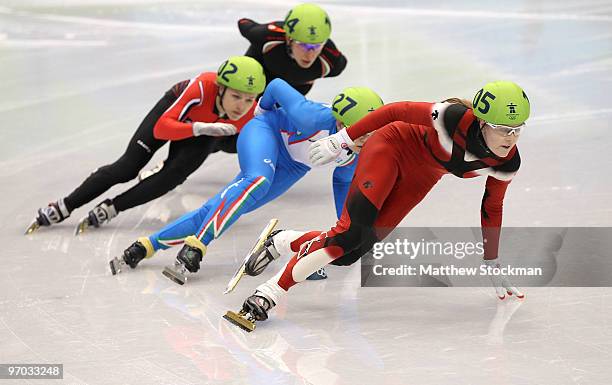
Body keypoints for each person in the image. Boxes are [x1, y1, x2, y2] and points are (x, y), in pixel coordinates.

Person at [228, 81, 531, 327]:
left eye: (518, 128)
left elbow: (492, 206)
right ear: (480, 121)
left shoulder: (507, 163)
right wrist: (342, 139)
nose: (511, 137)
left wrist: (491, 258)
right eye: (503, 128)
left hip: (422, 176)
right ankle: (269, 293)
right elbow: (395, 110)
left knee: (348, 254)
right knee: (347, 236)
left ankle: (281, 241)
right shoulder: (451, 117)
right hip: (391, 146)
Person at [109, 78, 384, 286]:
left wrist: (348, 233)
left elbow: (342, 185)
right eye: (362, 134)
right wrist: (261, 111)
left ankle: (147, 245)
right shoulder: (309, 115)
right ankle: (196, 246)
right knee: (256, 182)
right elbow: (275, 85)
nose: (367, 140)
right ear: (340, 123)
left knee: (228, 205)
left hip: (295, 164)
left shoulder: (358, 150)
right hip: (266, 132)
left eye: (374, 132)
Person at [24, 56, 265, 235]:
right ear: (221, 88)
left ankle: (113, 207)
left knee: (173, 176)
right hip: (176, 116)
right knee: (127, 168)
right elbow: (162, 128)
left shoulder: (251, 113)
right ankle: (65, 204)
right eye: (235, 96)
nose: (241, 105)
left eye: (248, 99)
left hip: (208, 130)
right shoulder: (202, 87)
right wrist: (198, 127)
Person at [239, 3, 347, 96]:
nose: (310, 54)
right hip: (256, 78)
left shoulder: (333, 61)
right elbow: (243, 23)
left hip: (294, 88)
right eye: (303, 45)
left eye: (317, 46)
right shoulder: (268, 36)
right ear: (289, 38)